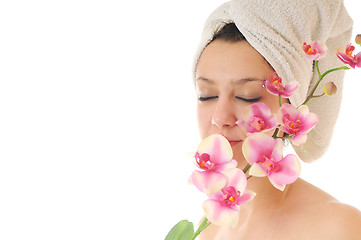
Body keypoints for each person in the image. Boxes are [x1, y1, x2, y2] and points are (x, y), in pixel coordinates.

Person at [192, 0, 361, 239]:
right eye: (206, 95)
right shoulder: (210, 226)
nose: (220, 118)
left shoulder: (336, 227)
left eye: (246, 96)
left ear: (290, 108)